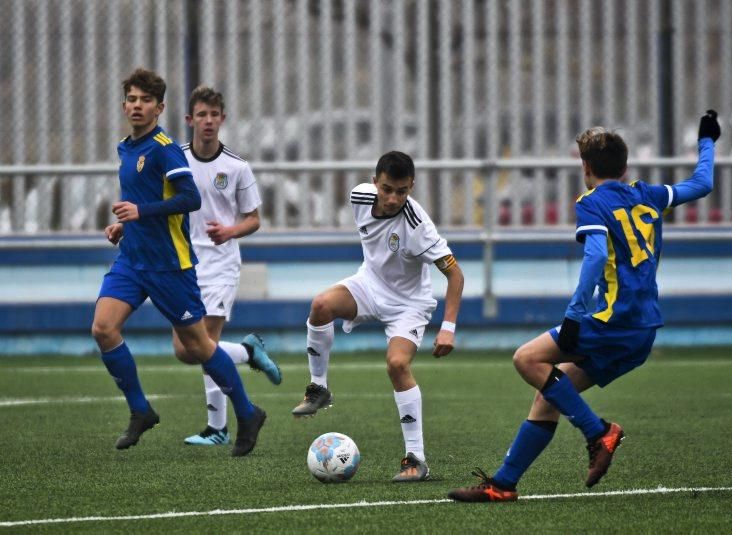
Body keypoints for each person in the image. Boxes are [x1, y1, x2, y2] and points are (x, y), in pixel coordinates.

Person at [448, 111, 721, 502]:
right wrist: (707, 140)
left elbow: (595, 259)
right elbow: (702, 183)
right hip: (643, 331)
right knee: (550, 393)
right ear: (625, 167)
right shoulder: (649, 194)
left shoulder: (592, 203)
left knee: (526, 360)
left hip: (613, 321)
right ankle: (503, 485)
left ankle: (599, 432)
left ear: (585, 167)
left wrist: (574, 315)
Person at [91, 68, 267, 457]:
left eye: (146, 100)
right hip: (132, 261)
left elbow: (190, 199)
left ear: (160, 107)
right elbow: (139, 202)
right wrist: (123, 225)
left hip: (170, 265)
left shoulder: (165, 148)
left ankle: (247, 412)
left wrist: (142, 211)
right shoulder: (127, 148)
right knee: (103, 329)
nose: (138, 106)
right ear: (124, 105)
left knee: (198, 348)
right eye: (132, 99)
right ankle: (140, 410)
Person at [291, 150, 465, 482]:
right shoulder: (359, 196)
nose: (392, 198)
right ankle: (318, 388)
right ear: (375, 183)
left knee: (397, 365)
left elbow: (455, 276)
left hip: (408, 304)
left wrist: (448, 328)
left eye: (401, 191)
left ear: (411, 187)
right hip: (369, 284)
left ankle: (416, 459)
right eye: (386, 189)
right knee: (320, 306)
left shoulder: (418, 225)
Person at [174, 86, 281, 447]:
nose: (207, 121)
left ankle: (217, 427)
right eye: (201, 115)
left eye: (213, 115)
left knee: (205, 345)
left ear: (222, 119)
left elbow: (254, 219)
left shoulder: (236, 167)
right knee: (183, 349)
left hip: (221, 265)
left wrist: (229, 231)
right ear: (190, 119)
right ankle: (249, 352)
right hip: (184, 266)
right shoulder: (176, 160)